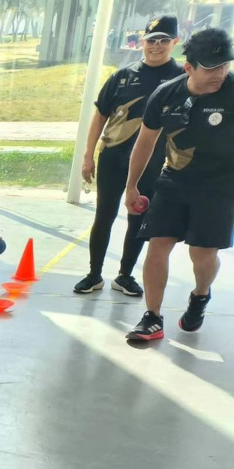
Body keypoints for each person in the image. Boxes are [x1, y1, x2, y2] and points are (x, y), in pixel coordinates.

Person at [125, 27, 234, 341]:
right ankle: (152, 317)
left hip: (220, 186)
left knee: (202, 255)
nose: (220, 73)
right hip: (174, 180)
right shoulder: (166, 94)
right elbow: (145, 142)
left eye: (225, 65)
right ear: (189, 67)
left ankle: (200, 294)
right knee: (157, 245)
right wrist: (132, 186)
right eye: (211, 68)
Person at [76, 16, 183, 296]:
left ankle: (124, 275)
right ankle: (94, 274)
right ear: (142, 43)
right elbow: (100, 117)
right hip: (113, 157)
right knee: (104, 215)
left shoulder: (181, 79)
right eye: (151, 40)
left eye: (163, 40)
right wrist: (88, 155)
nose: (156, 46)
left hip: (151, 162)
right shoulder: (122, 77)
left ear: (175, 42)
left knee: (138, 217)